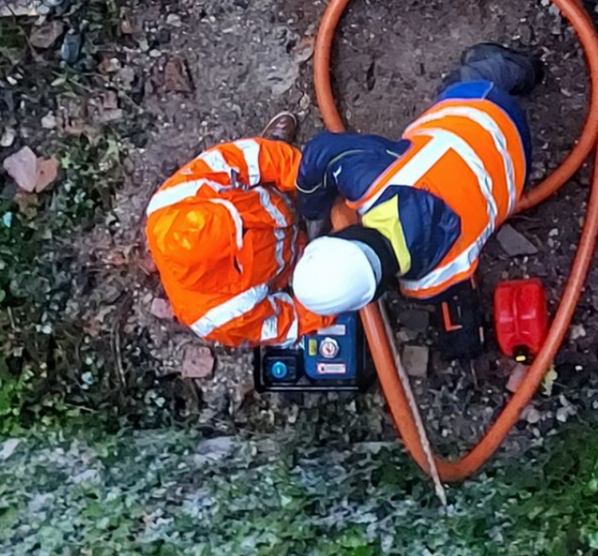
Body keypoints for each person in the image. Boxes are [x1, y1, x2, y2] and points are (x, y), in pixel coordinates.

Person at [290, 43, 540, 340]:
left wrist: (318, 212)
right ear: (341, 236)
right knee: (470, 75)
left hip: (517, 173)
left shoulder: (427, 285)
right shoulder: (378, 180)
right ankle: (525, 69)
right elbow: (322, 152)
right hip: (483, 115)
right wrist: (311, 203)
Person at [143, 108, 309, 347]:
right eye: (241, 234)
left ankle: (276, 150)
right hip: (298, 260)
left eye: (234, 220)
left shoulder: (170, 200)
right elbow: (288, 322)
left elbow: (240, 159)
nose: (245, 224)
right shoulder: (214, 316)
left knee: (263, 160)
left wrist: (306, 177)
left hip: (275, 192)